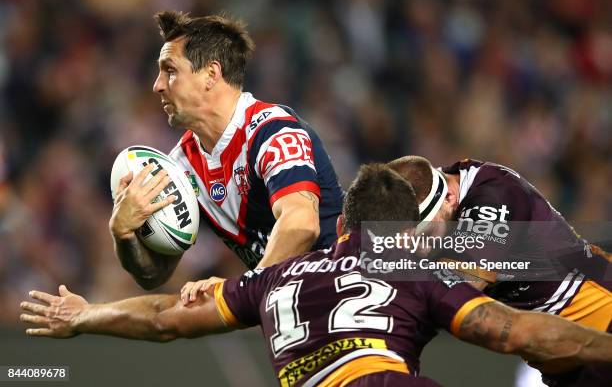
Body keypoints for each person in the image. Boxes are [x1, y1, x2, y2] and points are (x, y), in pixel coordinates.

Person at [21, 164, 612, 386]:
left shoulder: (275, 278)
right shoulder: (412, 269)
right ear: (400, 233)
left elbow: (165, 316)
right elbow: (511, 332)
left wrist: (86, 315)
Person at [109, 11, 343, 290]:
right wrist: (123, 233)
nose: (157, 85)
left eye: (170, 71)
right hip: (296, 310)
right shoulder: (181, 166)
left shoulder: (274, 131)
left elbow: (302, 225)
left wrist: (242, 291)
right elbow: (154, 274)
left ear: (211, 74)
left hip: (356, 287)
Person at [388, 156, 612, 386]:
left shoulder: (493, 200)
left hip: (601, 326)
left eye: (425, 234)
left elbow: (455, 287)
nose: (421, 250)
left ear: (449, 198)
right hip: (568, 358)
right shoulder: (434, 187)